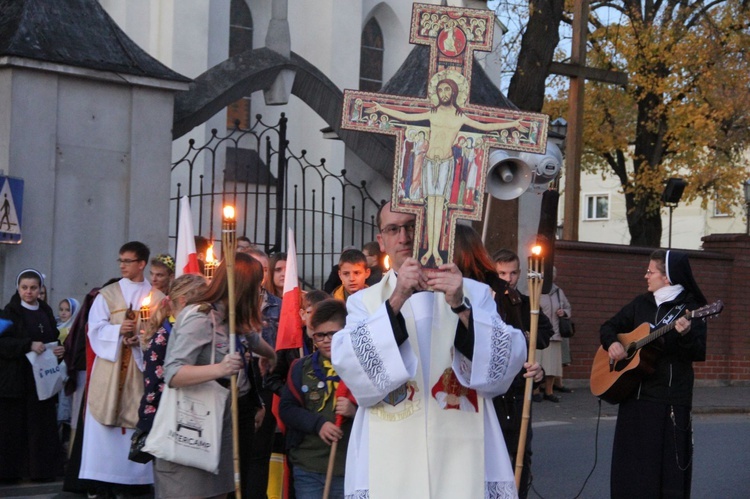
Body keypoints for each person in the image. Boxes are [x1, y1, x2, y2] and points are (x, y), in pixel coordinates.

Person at [331, 202, 526, 498]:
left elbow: (505, 361)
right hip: (391, 451)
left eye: (411, 226)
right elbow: (354, 370)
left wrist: (461, 306)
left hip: (461, 448)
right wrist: (397, 298)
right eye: (393, 229)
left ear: (429, 232)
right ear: (381, 241)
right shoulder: (364, 302)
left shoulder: (473, 292)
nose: (404, 237)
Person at [155, 253, 276, 498]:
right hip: (196, 421)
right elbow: (174, 373)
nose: (259, 294)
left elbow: (251, 339)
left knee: (224, 490)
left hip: (229, 419)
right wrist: (220, 369)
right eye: (255, 287)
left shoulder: (232, 316)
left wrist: (269, 354)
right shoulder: (200, 318)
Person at [372, 76, 526, 266]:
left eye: (447, 90)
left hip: (446, 162)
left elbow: (485, 126)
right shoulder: (432, 113)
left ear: (454, 92)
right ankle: (429, 250)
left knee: (440, 207)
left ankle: (436, 251)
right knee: (429, 205)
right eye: (441, 90)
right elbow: (406, 116)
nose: (444, 94)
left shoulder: (460, 116)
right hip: (429, 162)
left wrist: (511, 124)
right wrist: (381, 109)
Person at [600, 250, 707, 499]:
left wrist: (686, 335)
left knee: (663, 474)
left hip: (668, 401)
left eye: (651, 271)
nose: (646, 275)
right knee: (631, 473)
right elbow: (609, 326)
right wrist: (612, 344)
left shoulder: (691, 309)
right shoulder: (642, 303)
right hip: (633, 397)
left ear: (667, 277)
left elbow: (698, 351)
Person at [457, 233, 551, 499]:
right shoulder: (481, 296)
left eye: (512, 274)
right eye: (502, 273)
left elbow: (540, 333)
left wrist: (526, 342)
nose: (507, 279)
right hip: (481, 391)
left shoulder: (521, 301)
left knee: (518, 453)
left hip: (516, 387)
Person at [80, 242, 165, 496]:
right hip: (110, 369)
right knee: (105, 425)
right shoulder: (107, 294)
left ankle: (136, 480)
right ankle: (102, 481)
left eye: (128, 261)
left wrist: (139, 341)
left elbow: (162, 336)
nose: (122, 265)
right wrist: (119, 331)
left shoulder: (159, 299)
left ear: (142, 264)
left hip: (140, 373)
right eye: (120, 261)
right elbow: (93, 329)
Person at [279, 299, 357, 499]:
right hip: (308, 465)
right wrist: (318, 424)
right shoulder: (301, 368)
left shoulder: (359, 368)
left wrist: (354, 411)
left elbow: (379, 411)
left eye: (333, 334)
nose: (326, 340)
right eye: (319, 336)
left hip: (347, 466)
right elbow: (287, 409)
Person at [134, 273, 208, 461]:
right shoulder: (164, 336)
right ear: (183, 301)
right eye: (202, 301)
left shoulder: (195, 329)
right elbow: (153, 384)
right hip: (169, 414)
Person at [0, 269, 65, 483]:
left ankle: (42, 471)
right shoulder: (9, 313)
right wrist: (27, 345)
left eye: (33, 288)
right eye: (24, 288)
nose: (29, 292)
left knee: (42, 427)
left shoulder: (45, 311)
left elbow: (53, 338)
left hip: (42, 380)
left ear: (40, 290)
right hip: (18, 380)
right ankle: (11, 473)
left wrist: (59, 349)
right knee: (14, 428)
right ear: (18, 288)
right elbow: (3, 343)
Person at [538, 267, 572, 402]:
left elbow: (568, 307)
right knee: (538, 363)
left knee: (552, 366)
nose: (549, 278)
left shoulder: (558, 292)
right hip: (540, 333)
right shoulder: (535, 290)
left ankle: (549, 391)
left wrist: (564, 312)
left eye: (552, 275)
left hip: (555, 333)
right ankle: (535, 391)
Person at [56, 297, 81, 451]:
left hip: (68, 375)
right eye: (61, 309)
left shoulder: (75, 330)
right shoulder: (55, 327)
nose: (64, 313)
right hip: (54, 374)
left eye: (67, 310)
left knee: (67, 411)